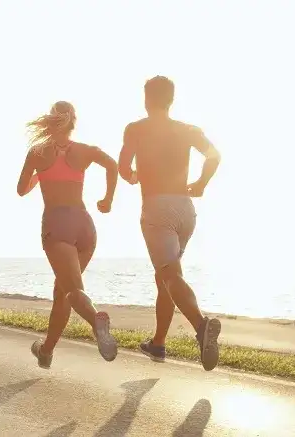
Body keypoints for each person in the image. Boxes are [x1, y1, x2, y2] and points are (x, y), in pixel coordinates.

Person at [118, 76, 223, 371]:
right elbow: (214, 155)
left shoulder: (136, 129)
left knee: (169, 276)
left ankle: (202, 327)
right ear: (171, 100)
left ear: (146, 99)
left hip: (157, 209)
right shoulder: (188, 130)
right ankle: (158, 343)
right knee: (165, 277)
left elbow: (124, 167)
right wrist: (201, 182)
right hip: (185, 210)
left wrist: (133, 175)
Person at [17, 101, 119, 369]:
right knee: (62, 291)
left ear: (50, 121)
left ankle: (96, 320)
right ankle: (46, 350)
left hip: (57, 225)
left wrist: (41, 175)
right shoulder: (85, 151)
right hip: (85, 226)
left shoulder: (38, 153)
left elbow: (21, 189)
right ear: (73, 122)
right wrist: (108, 199)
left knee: (72, 290)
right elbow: (111, 165)